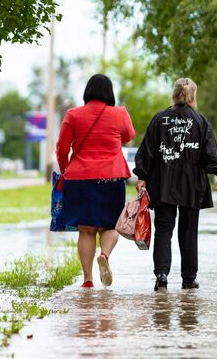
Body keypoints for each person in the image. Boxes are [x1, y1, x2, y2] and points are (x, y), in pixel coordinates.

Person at [134, 78, 217, 292]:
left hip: (163, 183)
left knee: (164, 230)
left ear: (173, 95)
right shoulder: (201, 121)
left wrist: (142, 176)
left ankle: (162, 275)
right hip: (192, 185)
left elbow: (147, 151)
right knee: (188, 231)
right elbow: (209, 154)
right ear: (193, 97)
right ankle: (188, 278)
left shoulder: (159, 119)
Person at [56, 74, 136, 288]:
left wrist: (66, 169)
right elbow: (128, 136)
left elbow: (62, 148)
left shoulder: (73, 115)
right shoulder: (120, 114)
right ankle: (105, 255)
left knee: (86, 229)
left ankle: (88, 279)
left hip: (79, 178)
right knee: (110, 226)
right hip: (111, 177)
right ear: (110, 93)